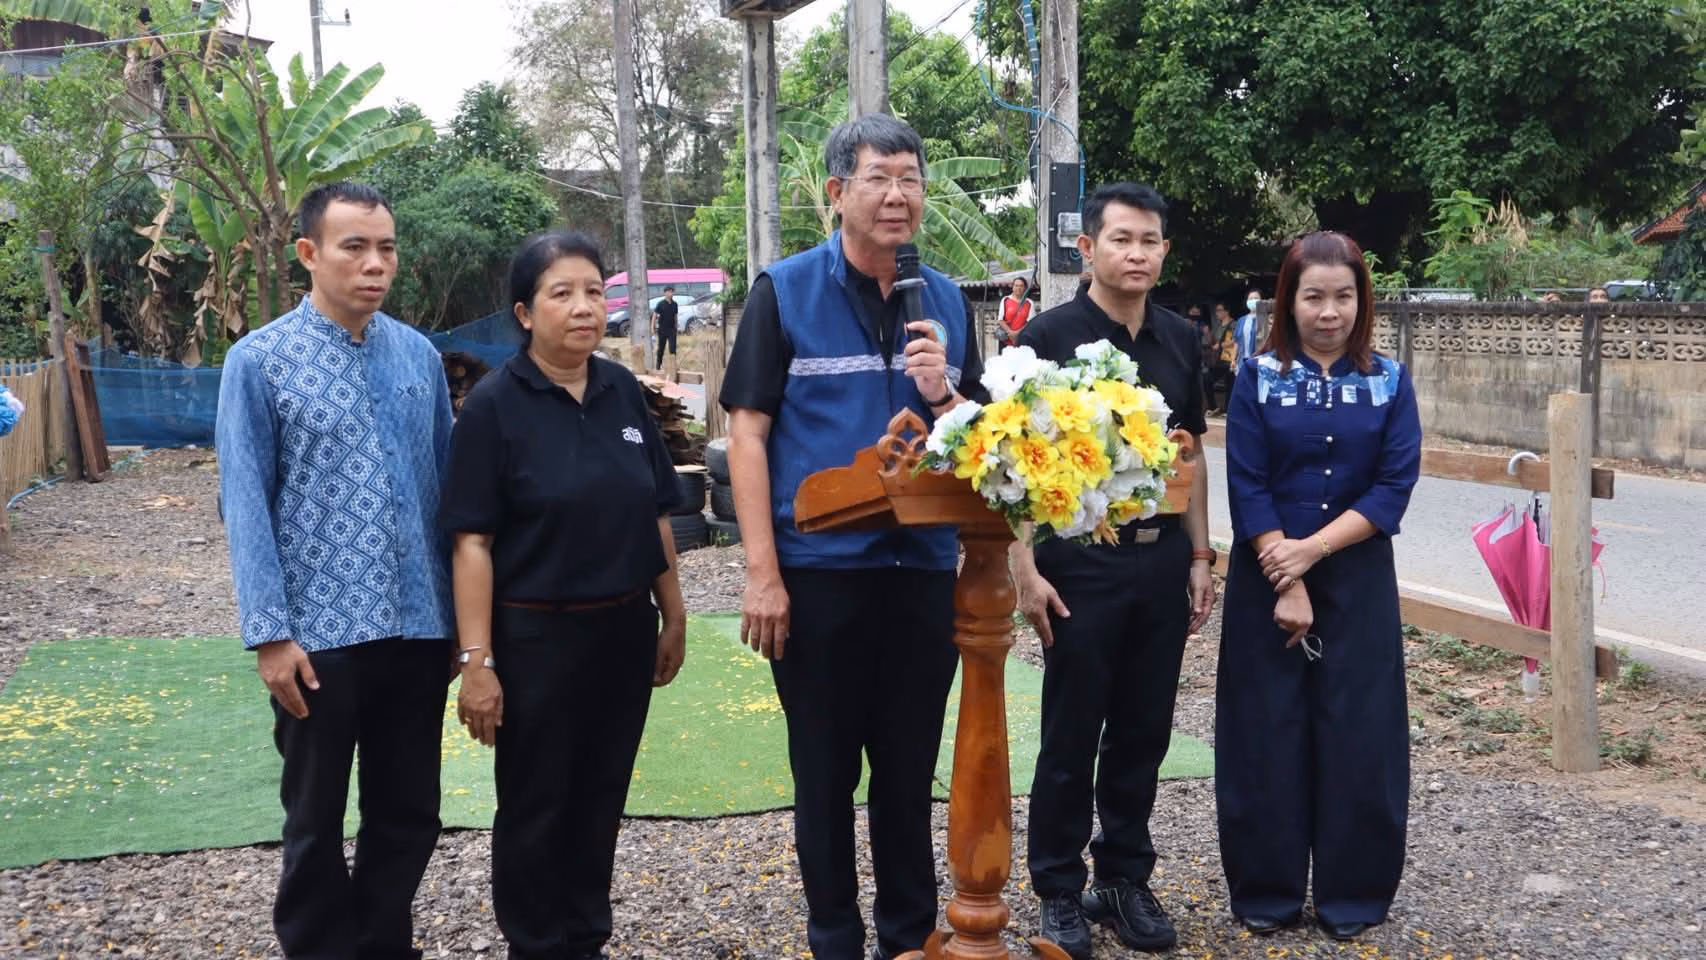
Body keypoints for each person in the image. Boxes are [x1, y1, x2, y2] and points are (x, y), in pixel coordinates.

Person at [718, 112, 990, 960]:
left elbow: (985, 444)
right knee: (825, 773)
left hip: (922, 573)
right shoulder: (785, 291)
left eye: (911, 179)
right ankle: (833, 936)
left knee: (908, 773)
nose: (898, 195)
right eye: (879, 178)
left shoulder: (945, 300)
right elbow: (747, 434)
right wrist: (762, 574)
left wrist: (944, 394)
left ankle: (908, 937)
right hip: (821, 573)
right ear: (838, 192)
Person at [216, 181, 454, 960]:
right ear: (309, 253)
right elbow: (245, 502)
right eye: (355, 247)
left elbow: (446, 491)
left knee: (409, 812)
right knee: (314, 819)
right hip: (317, 639)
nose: (375, 264)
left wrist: (460, 623)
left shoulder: (419, 357)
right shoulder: (259, 362)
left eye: (386, 248)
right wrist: (269, 634)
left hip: (418, 627)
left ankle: (384, 944)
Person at [441, 230, 688, 960]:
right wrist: (477, 661)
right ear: (525, 313)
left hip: (622, 632)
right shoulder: (494, 406)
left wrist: (673, 613)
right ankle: (536, 943)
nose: (584, 308)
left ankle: (585, 938)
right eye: (562, 294)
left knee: (601, 795)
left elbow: (655, 511)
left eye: (594, 292)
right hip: (534, 639)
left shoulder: (620, 391)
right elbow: (472, 542)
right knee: (536, 802)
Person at [1011, 183, 1216, 959]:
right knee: (1071, 732)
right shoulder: (1047, 337)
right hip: (1079, 563)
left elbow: (1192, 455)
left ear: (1165, 251)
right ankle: (1058, 889)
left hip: (1160, 561)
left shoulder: (1180, 338)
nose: (1137, 254)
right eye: (1122, 239)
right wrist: (1024, 570)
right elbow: (1012, 466)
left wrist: (1200, 555)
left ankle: (1123, 878)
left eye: (1150, 241)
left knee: (1143, 730)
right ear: (1087, 248)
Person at [1216, 230, 1421, 942]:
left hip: (1357, 576)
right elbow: (1246, 482)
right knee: (1264, 729)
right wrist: (1286, 571)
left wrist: (1310, 553)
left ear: (1362, 301)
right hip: (1265, 575)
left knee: (1360, 731)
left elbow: (1393, 485)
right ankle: (1265, 889)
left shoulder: (1391, 380)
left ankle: (1353, 891)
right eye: (1313, 297)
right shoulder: (1256, 377)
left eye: (1343, 297)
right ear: (1289, 300)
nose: (1329, 312)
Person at [1001, 275, 1035, 347]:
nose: (1018, 288)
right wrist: (1011, 333)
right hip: (1006, 340)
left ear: (1025, 288)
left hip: (1023, 340)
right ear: (1012, 287)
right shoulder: (1005, 300)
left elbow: (1031, 322)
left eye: (1021, 286)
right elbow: (1000, 320)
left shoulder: (1029, 303)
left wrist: (1017, 333)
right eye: (1016, 285)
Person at [1234, 287, 1263, 367]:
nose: (1253, 300)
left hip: (1260, 362)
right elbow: (1236, 342)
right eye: (1250, 299)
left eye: (1256, 298)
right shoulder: (1241, 320)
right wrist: (1233, 360)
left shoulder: (1266, 319)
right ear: (1247, 301)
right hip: (1242, 363)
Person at [655, 284, 680, 368]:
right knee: (661, 348)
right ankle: (658, 365)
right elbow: (655, 315)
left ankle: (673, 365)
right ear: (665, 293)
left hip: (672, 329)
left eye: (672, 292)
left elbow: (675, 316)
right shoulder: (660, 304)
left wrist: (676, 327)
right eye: (668, 292)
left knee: (672, 348)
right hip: (662, 329)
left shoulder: (675, 304)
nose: (670, 293)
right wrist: (652, 328)